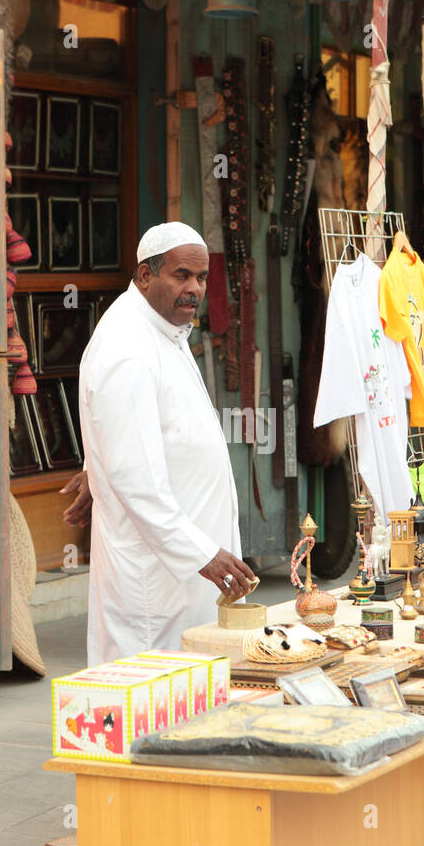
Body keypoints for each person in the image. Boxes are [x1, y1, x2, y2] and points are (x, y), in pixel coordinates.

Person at [59, 222, 255, 665]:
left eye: (202, 279)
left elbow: (126, 434)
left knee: (188, 697)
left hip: (182, 571)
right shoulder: (128, 346)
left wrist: (96, 467)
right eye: (181, 275)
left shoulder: (162, 327)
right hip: (158, 578)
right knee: (153, 698)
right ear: (145, 276)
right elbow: (136, 480)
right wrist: (202, 553)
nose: (194, 290)